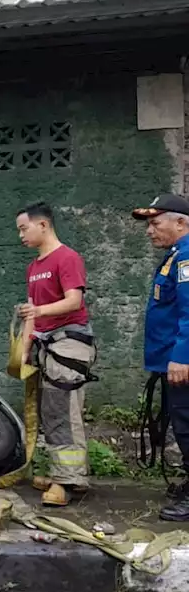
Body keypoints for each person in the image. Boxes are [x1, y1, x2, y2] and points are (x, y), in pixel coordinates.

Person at [15, 201, 97, 507]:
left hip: (69, 343)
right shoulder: (34, 267)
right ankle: (63, 474)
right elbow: (30, 316)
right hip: (46, 345)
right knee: (50, 411)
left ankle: (68, 481)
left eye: (24, 228)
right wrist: (23, 353)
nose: (21, 235)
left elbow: (74, 301)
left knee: (63, 409)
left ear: (43, 225)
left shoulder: (67, 257)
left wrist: (38, 310)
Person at [133, 194, 189, 522]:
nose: (149, 231)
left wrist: (182, 357)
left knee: (187, 426)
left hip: (182, 363)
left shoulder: (186, 258)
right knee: (182, 424)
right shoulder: (175, 255)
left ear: (181, 222)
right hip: (171, 362)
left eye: (155, 223)